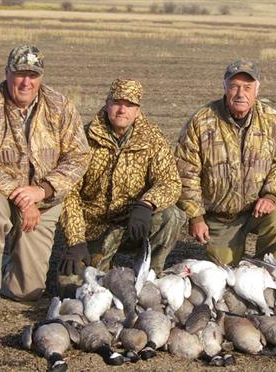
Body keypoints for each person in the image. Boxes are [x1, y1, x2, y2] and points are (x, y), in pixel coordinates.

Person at [0, 45, 90, 326]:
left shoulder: (60, 106)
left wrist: (42, 190)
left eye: (33, 75)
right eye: (19, 74)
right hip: (2, 196)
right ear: (7, 73)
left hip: (45, 201)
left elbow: (79, 157)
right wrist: (22, 197)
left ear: (40, 77)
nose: (25, 82)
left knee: (27, 291)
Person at [58, 78, 185, 292]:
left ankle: (149, 275)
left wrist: (147, 204)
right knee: (70, 291)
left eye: (130, 105)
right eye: (117, 102)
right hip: (93, 227)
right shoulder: (84, 138)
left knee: (172, 216)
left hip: (132, 223)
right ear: (107, 103)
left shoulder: (153, 139)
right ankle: (102, 263)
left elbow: (170, 182)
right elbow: (69, 192)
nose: (122, 109)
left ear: (137, 110)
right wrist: (76, 240)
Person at [175, 60, 276, 266]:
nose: (241, 93)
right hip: (220, 217)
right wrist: (196, 217)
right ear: (225, 88)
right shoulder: (202, 121)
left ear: (257, 90)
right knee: (224, 272)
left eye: (247, 87)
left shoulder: (272, 120)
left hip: (258, 210)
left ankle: (265, 268)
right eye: (234, 86)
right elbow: (186, 172)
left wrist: (271, 195)